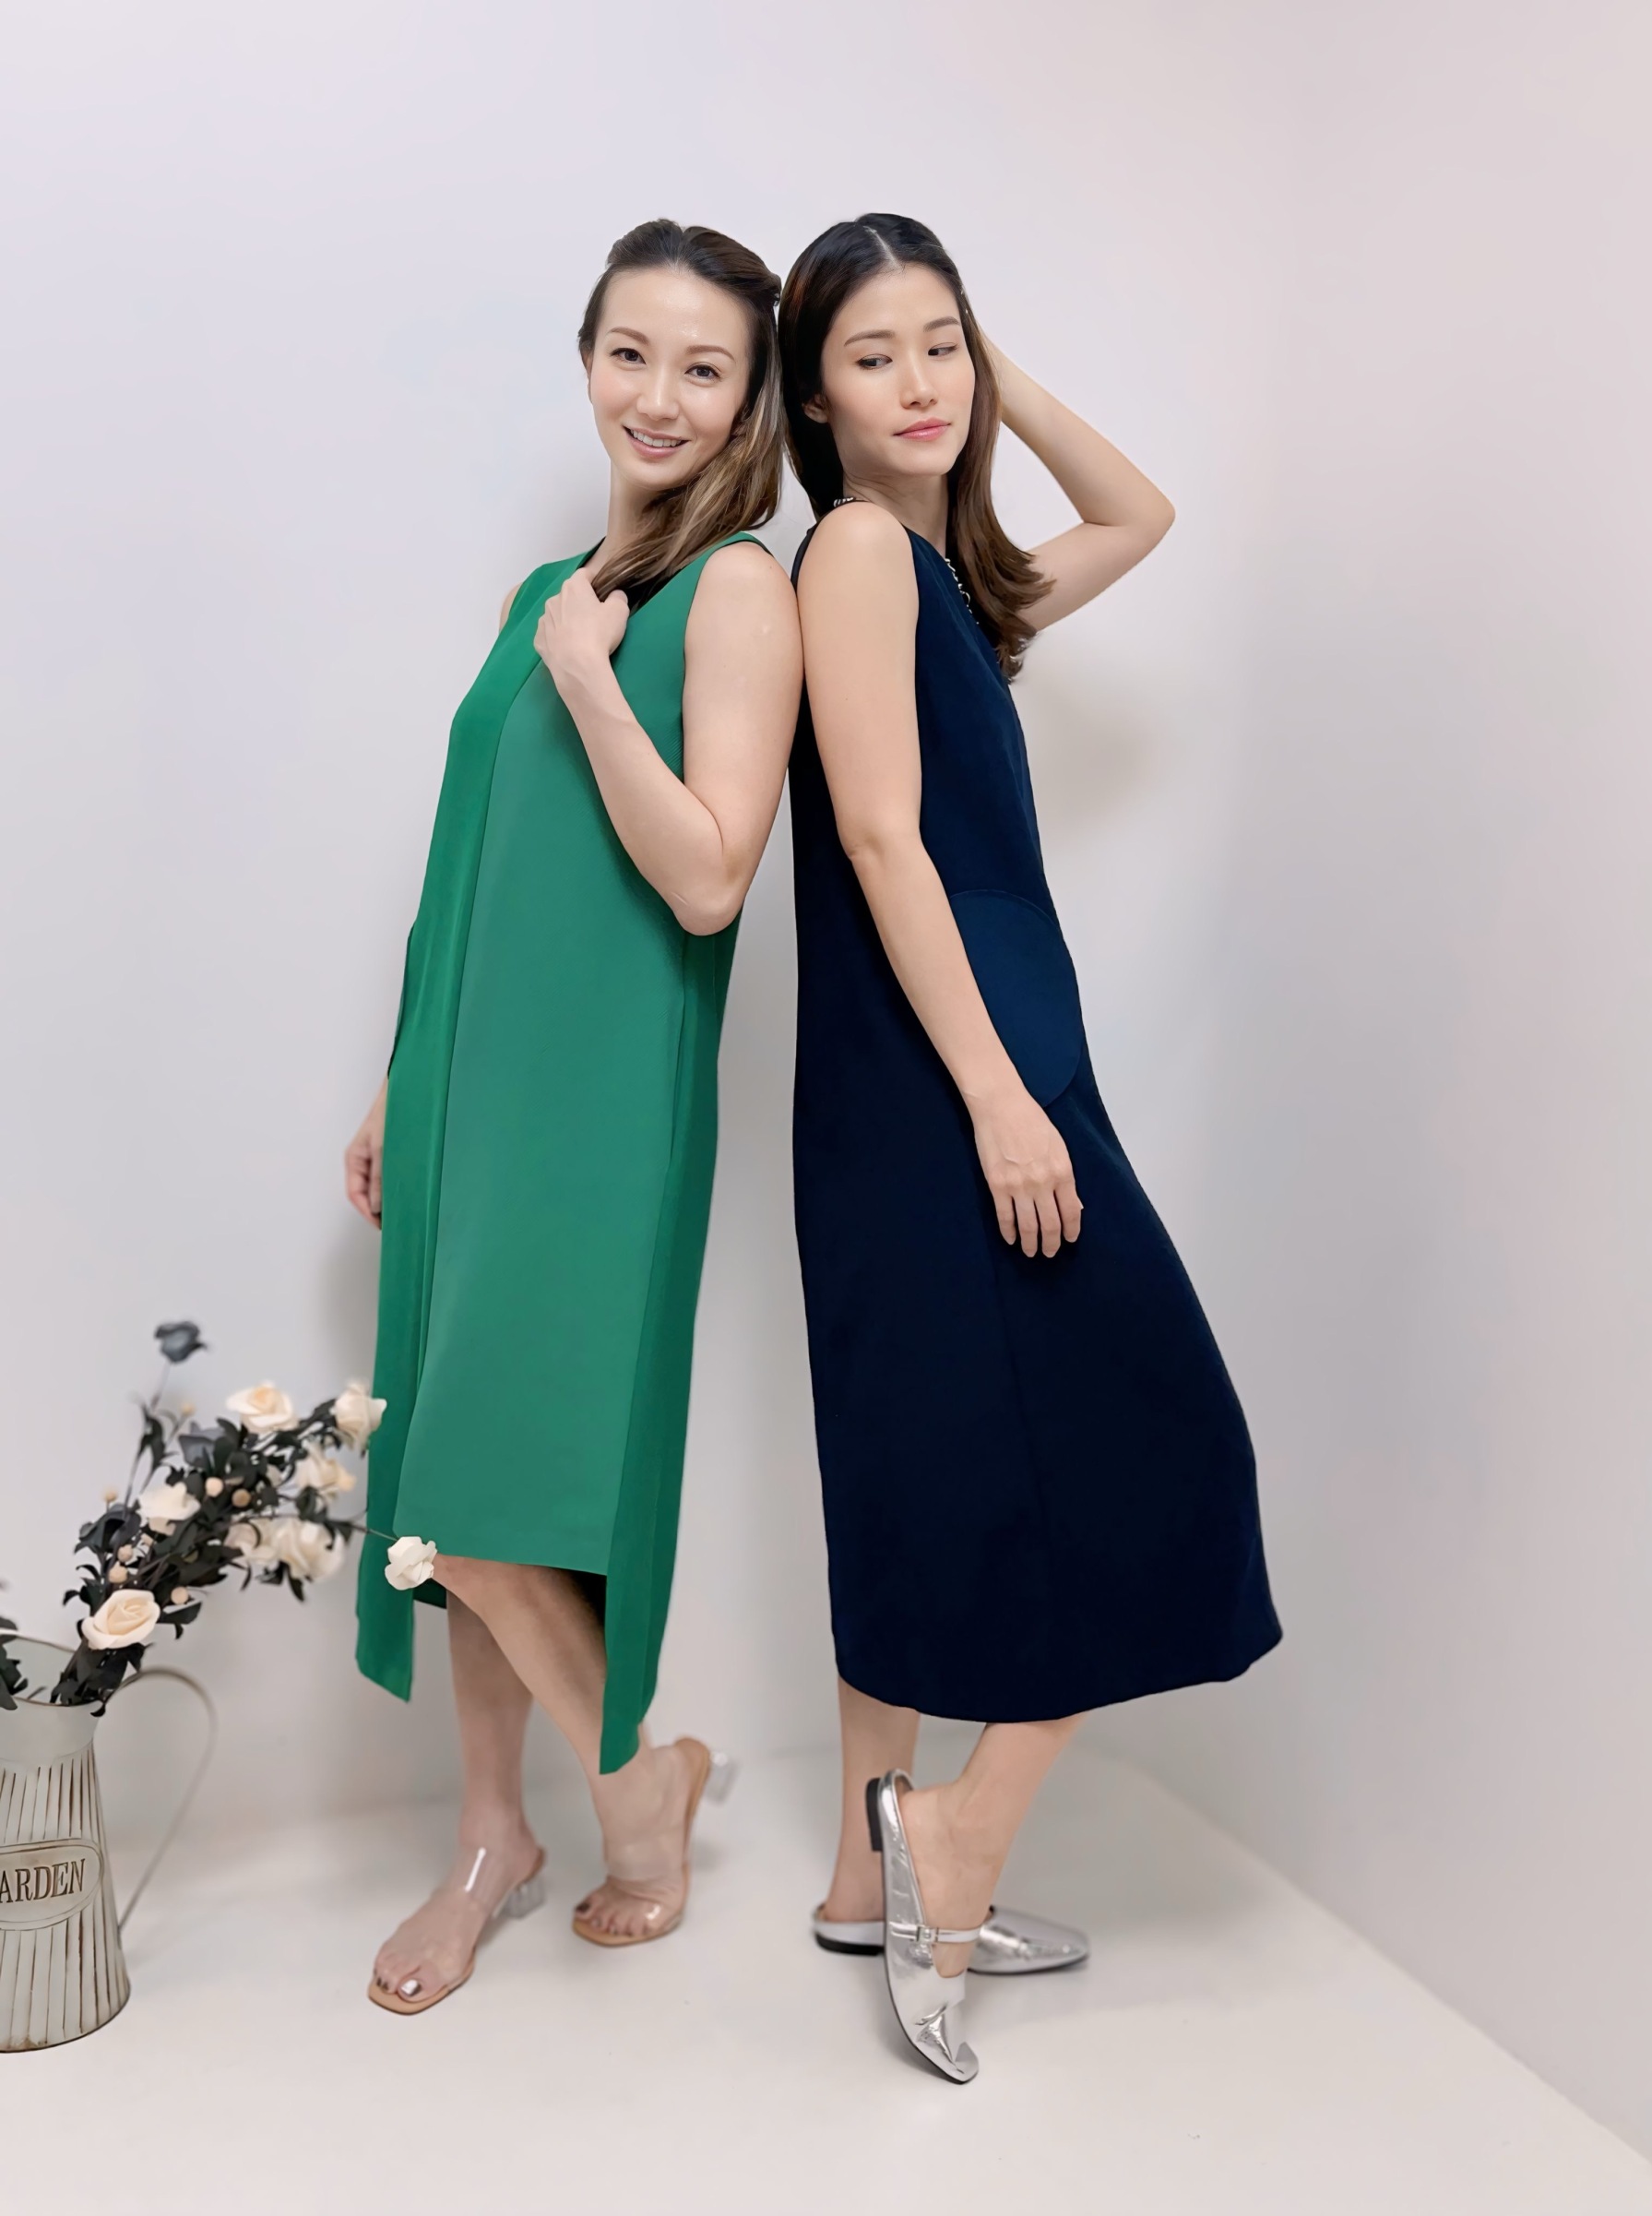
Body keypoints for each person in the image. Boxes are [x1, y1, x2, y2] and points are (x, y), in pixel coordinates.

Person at [780, 213, 1280, 2080]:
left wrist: (988, 380)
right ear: (812, 399)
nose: (918, 384)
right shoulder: (854, 554)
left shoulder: (944, 577)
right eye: (874, 357)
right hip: (956, 1068)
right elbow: (881, 839)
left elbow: (1138, 512)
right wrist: (998, 1097)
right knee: (1165, 1435)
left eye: (943, 345)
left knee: (922, 1457)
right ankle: (959, 1832)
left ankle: (870, 1875)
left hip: (974, 1054)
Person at [345, 220, 801, 2012]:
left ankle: (638, 1794)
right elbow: (472, 863)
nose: (660, 396)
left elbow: (710, 876)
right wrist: (401, 1073)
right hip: (472, 1087)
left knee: (482, 1492)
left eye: (705, 367)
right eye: (631, 352)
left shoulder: (740, 589)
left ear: (751, 397)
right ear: (589, 357)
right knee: (463, 1495)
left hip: (601, 1108)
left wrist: (597, 677)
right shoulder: (548, 585)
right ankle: (491, 1836)